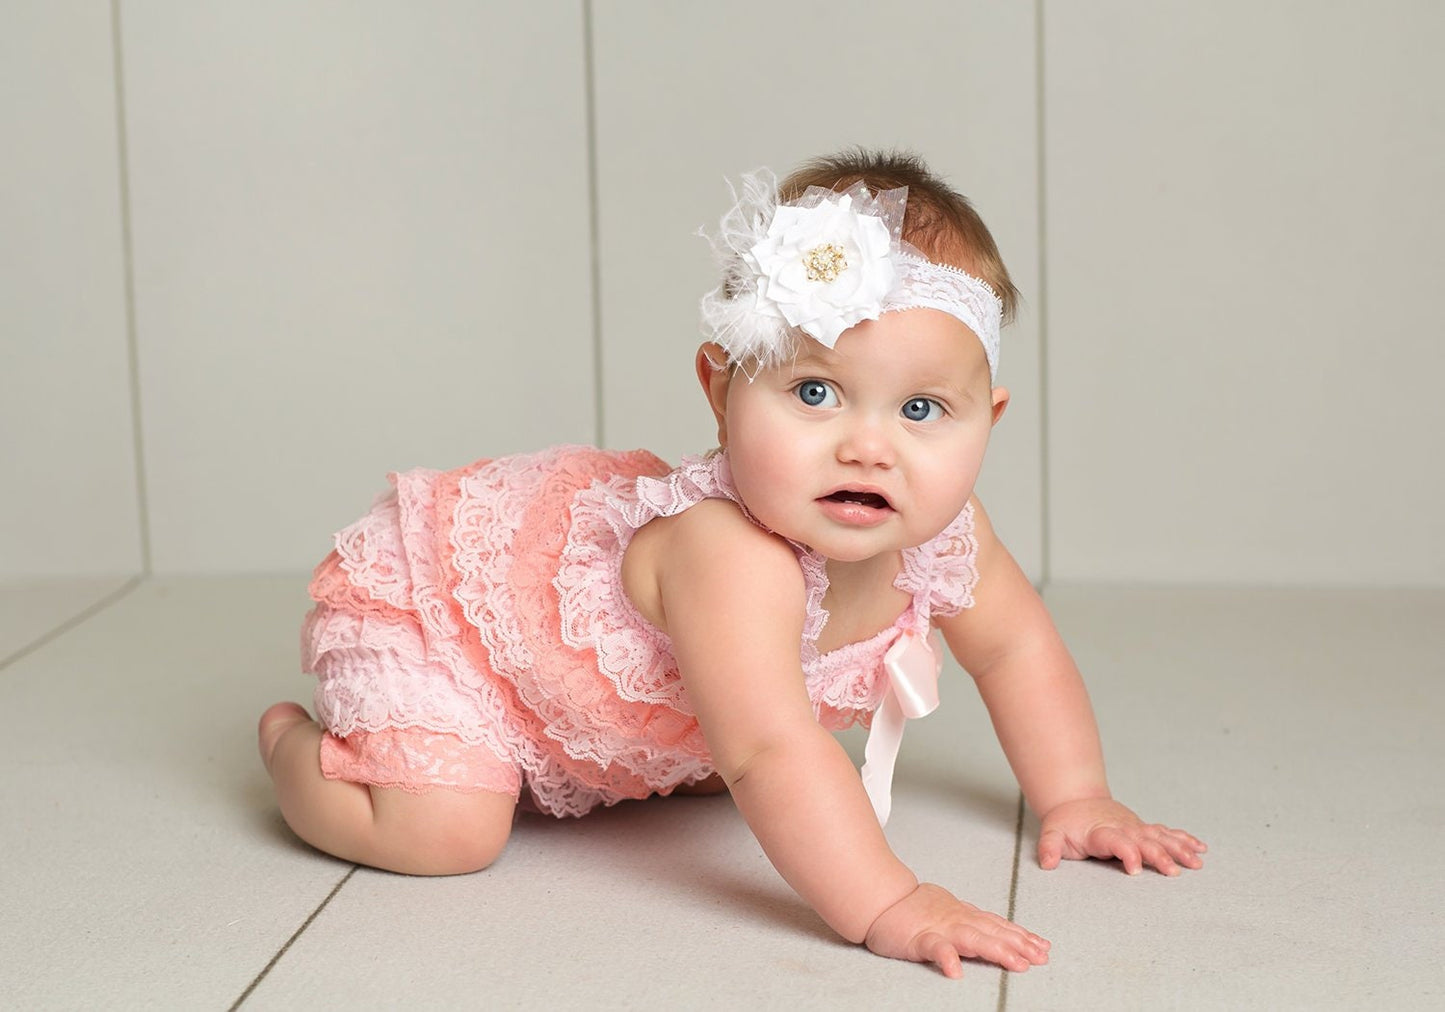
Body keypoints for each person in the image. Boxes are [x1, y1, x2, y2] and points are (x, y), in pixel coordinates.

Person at [258, 150, 1205, 979]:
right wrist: (886, 903)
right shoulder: (730, 552)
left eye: (920, 411)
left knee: (731, 741)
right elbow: (768, 750)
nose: (867, 448)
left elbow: (1014, 652)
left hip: (598, 699)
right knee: (449, 831)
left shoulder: (945, 537)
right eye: (816, 392)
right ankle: (300, 753)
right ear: (721, 389)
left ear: (986, 421)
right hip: (449, 627)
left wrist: (1076, 795)